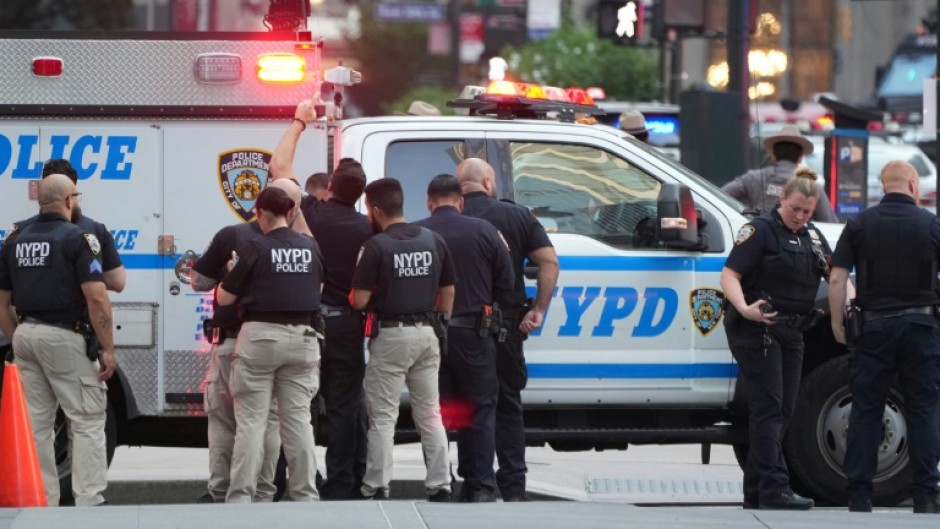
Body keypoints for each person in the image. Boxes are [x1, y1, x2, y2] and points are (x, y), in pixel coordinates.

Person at [828, 160, 940, 514]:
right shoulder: (932, 224)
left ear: (882, 185)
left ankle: (859, 495)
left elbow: (836, 277)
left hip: (874, 328)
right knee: (924, 409)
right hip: (922, 328)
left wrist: (836, 323)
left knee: (866, 408)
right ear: (912, 184)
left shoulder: (860, 223)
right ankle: (926, 496)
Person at [719, 168, 834, 510]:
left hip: (793, 331)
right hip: (758, 330)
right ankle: (773, 488)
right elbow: (729, 275)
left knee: (784, 409)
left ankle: (756, 490)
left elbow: (836, 274)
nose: (799, 217)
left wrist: (849, 304)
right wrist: (744, 308)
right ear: (781, 198)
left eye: (807, 212)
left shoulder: (812, 237)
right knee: (769, 409)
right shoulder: (759, 231)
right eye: (795, 208)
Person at [0, 173, 117, 507]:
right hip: (66, 336)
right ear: (69, 200)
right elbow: (97, 298)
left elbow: (1, 302)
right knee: (87, 419)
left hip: (25, 334)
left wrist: (20, 337)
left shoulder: (15, 238)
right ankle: (90, 503)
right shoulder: (78, 239)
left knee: (36, 424)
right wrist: (108, 348)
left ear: (40, 201)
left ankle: (41, 505)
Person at [188, 179, 305, 503]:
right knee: (268, 422)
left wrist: (224, 273)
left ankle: (224, 492)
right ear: (293, 208)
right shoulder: (304, 245)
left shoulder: (234, 236)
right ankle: (264, 492)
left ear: (259, 207)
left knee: (226, 422)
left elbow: (199, 281)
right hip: (285, 340)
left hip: (232, 341)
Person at [456, 158, 559, 502]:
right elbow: (549, 261)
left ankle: (474, 483)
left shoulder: (451, 217)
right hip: (506, 326)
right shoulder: (517, 216)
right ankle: (514, 486)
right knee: (508, 405)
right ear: (488, 181)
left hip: (460, 327)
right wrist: (539, 310)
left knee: (468, 405)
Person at [216, 186, 324, 502]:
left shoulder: (254, 248)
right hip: (304, 338)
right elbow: (317, 286)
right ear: (291, 212)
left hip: (260, 336)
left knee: (251, 420)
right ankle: (305, 494)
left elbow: (224, 297)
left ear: (262, 213)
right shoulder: (310, 247)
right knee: (298, 421)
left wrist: (232, 270)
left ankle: (240, 496)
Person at [350, 178, 455, 502]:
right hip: (428, 333)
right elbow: (448, 290)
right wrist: (441, 321)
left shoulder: (376, 247)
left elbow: (359, 301)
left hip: (392, 335)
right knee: (430, 414)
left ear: (376, 209)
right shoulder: (433, 239)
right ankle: (440, 484)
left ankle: (376, 486)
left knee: (383, 416)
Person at [415, 174, 514, 502]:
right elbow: (506, 283)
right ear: (460, 201)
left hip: (429, 334)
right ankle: (481, 485)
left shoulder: (417, 233)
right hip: (474, 333)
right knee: (480, 408)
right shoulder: (485, 231)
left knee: (437, 410)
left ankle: (442, 483)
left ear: (429, 202)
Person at [13, 159, 126, 293]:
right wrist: (84, 275)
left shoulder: (20, 231)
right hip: (78, 312)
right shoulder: (95, 231)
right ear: (72, 193)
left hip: (30, 313)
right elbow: (117, 281)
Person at [722, 125, 838, 223]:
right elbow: (830, 224)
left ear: (773, 155)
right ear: (800, 157)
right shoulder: (812, 187)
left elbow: (720, 197)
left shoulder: (752, 178)